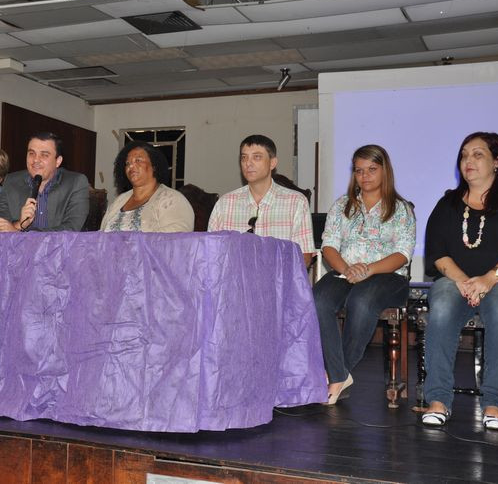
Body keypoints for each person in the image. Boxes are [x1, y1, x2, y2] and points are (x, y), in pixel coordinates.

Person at [421, 132, 498, 430]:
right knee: (443, 297)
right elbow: (437, 253)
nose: (468, 161)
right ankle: (437, 399)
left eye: (477, 154)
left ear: (496, 162)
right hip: (460, 282)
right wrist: (464, 282)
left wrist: (490, 278)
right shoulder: (447, 203)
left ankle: (494, 402)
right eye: (464, 155)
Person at [313, 145, 416, 405]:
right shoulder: (342, 206)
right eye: (359, 171)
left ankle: (337, 374)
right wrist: (347, 269)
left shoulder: (400, 208)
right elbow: (329, 246)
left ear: (385, 171)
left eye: (372, 169)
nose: (365, 176)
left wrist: (368, 269)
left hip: (388, 277)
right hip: (345, 272)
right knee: (317, 299)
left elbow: (402, 254)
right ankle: (339, 375)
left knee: (362, 299)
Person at [208, 134, 315, 266]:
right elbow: (211, 254)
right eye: (244, 158)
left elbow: (304, 257)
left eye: (256, 157)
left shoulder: (296, 202)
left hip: (279, 282)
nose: (248, 163)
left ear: (272, 163)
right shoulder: (225, 204)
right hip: (234, 283)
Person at [0, 132, 89, 232]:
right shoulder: (12, 182)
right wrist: (20, 224)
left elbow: (71, 230)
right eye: (31, 153)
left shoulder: (75, 183)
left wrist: (20, 234)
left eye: (44, 155)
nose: (36, 160)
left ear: (58, 161)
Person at [101, 141, 194, 232]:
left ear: (154, 166)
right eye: (127, 163)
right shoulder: (119, 202)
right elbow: (100, 236)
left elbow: (178, 235)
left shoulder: (172, 199)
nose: (131, 166)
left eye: (138, 160)